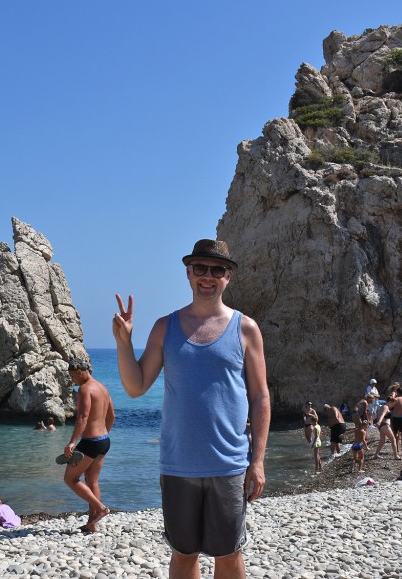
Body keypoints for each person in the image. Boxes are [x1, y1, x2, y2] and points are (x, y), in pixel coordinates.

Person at [113, 239, 270, 579]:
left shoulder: (246, 328)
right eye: (200, 268)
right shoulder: (164, 327)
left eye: (217, 270)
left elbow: (260, 397)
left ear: (228, 276)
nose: (208, 276)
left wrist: (256, 460)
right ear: (188, 272)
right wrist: (124, 343)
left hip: (229, 464)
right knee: (183, 554)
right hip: (178, 464)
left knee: (229, 555)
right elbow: (135, 386)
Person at [59, 359, 115, 533]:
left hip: (90, 442)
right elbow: (112, 415)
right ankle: (92, 524)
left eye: (73, 376)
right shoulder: (102, 388)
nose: (72, 380)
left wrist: (72, 442)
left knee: (70, 479)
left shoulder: (85, 389)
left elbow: (83, 417)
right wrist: (104, 432)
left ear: (80, 372)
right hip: (104, 440)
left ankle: (101, 508)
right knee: (92, 481)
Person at [372, 395, 399, 460]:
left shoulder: (381, 407)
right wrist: (379, 422)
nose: (393, 406)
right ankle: (396, 456)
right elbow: (382, 415)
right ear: (390, 402)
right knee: (393, 440)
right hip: (384, 425)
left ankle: (376, 455)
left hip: (382, 426)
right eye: (393, 404)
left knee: (382, 441)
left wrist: (379, 422)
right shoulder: (386, 407)